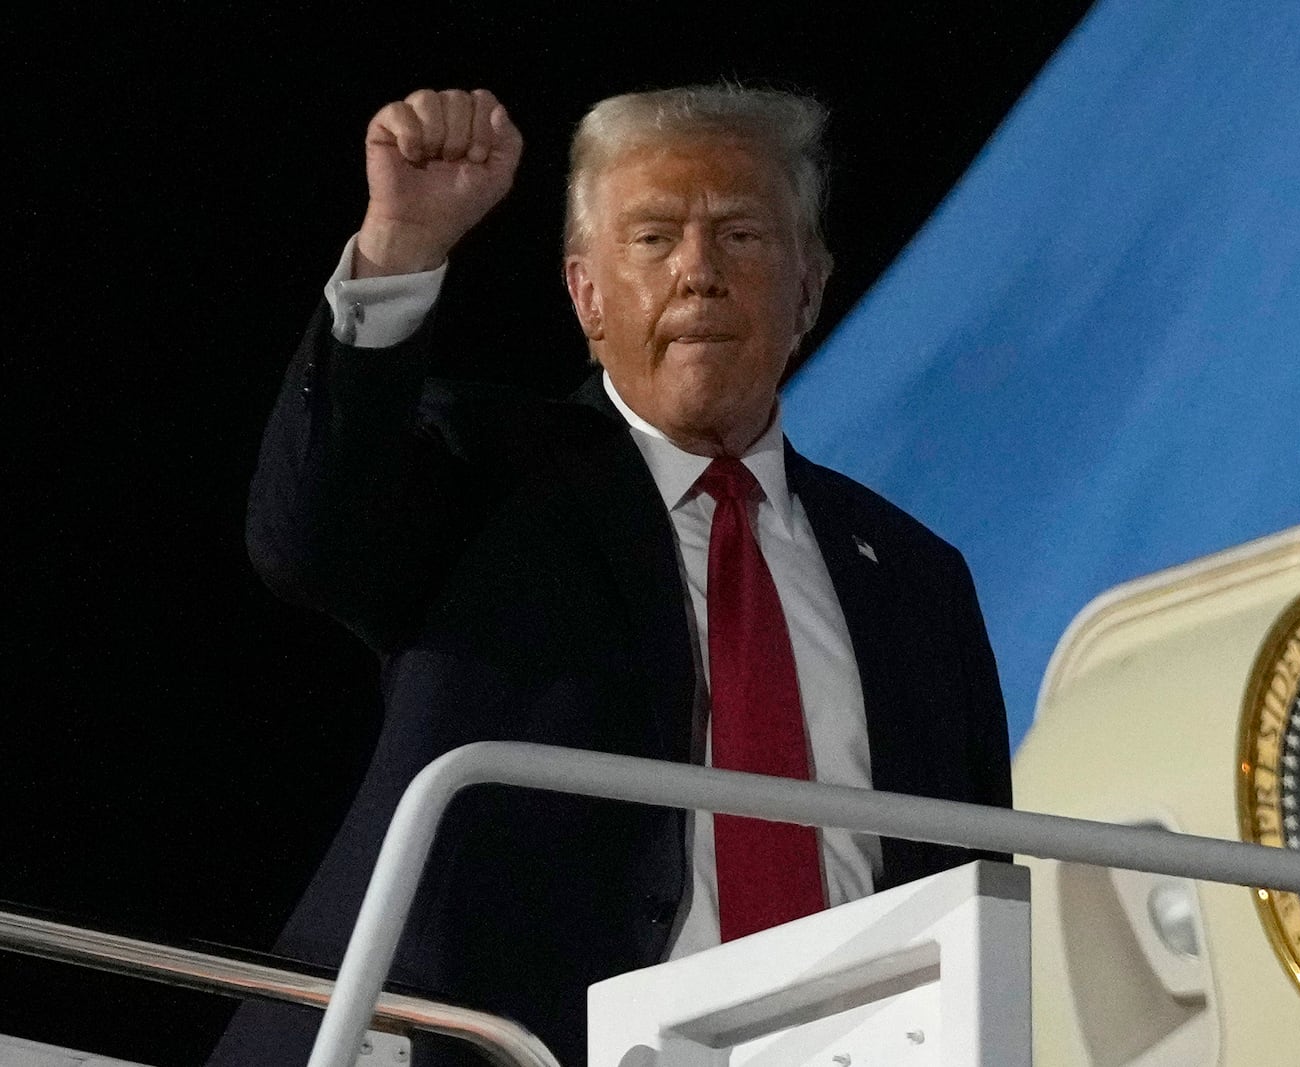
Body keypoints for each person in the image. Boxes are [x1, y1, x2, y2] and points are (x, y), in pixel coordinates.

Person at [213, 85, 1011, 1066]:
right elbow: (305, 536)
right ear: (586, 295)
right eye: (652, 237)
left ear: (808, 286)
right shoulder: (490, 481)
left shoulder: (918, 582)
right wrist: (400, 247)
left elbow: (974, 884)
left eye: (741, 235)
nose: (698, 272)